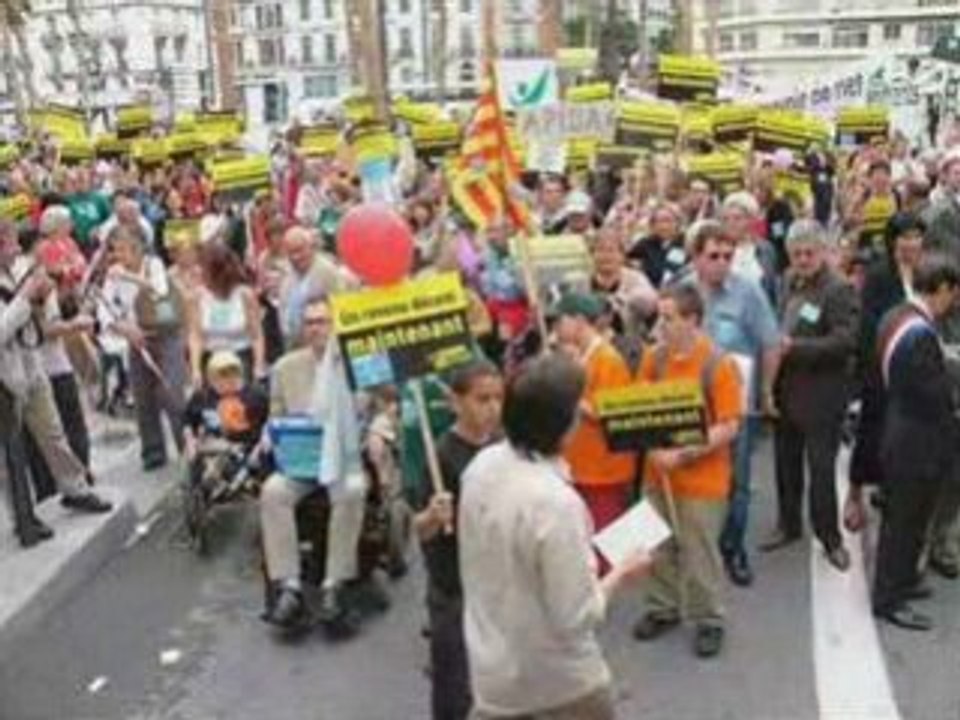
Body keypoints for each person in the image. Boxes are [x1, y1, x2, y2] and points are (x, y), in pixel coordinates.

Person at [459, 354, 650, 720]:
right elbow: (576, 616)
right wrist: (622, 572)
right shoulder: (555, 503)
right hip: (556, 684)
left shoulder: (481, 466)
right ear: (562, 427)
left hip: (491, 670)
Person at [631, 284, 742, 659]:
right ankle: (663, 607)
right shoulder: (653, 358)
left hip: (701, 480)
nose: (660, 325)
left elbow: (728, 426)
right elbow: (635, 411)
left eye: (668, 317)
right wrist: (653, 449)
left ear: (692, 320)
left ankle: (708, 618)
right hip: (657, 474)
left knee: (699, 551)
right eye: (659, 316)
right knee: (656, 544)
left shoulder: (718, 364)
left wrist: (682, 454)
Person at [260, 295, 368, 632]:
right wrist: (269, 434)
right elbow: (275, 415)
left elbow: (381, 408)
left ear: (335, 324)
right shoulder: (285, 368)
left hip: (344, 459)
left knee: (351, 490)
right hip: (303, 460)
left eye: (322, 321)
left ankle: (334, 585)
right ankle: (288, 587)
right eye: (309, 323)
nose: (315, 329)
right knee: (273, 491)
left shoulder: (357, 362)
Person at [0, 220, 112, 546]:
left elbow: (39, 320)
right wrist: (24, 299)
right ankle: (23, 517)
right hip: (5, 378)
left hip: (32, 366)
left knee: (53, 433)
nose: (17, 250)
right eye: (9, 244)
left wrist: (44, 298)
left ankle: (75, 489)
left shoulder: (18, 272)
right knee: (11, 456)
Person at [867, 255, 960, 631]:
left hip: (901, 429)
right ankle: (889, 597)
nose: (953, 302)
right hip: (916, 440)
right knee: (902, 523)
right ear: (939, 289)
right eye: (953, 294)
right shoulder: (919, 334)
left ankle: (904, 580)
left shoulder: (898, 316)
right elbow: (933, 394)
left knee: (913, 517)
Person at [409, 360, 504, 720]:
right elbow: (418, 528)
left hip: (498, 582)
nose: (493, 408)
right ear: (456, 402)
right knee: (454, 685)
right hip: (454, 588)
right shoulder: (442, 455)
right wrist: (433, 516)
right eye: (482, 399)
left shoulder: (502, 444)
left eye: (498, 398)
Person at [688, 220, 780, 587]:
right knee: (691, 473)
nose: (722, 263)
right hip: (689, 402)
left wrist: (767, 391)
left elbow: (771, 342)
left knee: (737, 479)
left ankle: (733, 547)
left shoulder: (748, 293)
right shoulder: (681, 292)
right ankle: (696, 547)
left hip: (735, 404)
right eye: (713, 256)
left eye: (728, 256)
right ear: (696, 258)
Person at [768, 220, 858, 572]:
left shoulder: (839, 289)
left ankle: (830, 538)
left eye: (809, 253)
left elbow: (845, 341)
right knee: (785, 465)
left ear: (822, 252)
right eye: (796, 253)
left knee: (821, 471)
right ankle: (788, 525)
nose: (803, 259)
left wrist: (795, 347)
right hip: (787, 391)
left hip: (822, 396)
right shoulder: (789, 281)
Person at [848, 213, 925, 504]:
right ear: (893, 241)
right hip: (885, 368)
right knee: (879, 430)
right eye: (905, 237)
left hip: (920, 367)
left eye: (916, 237)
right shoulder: (879, 277)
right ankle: (867, 487)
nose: (911, 243)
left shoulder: (928, 273)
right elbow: (870, 327)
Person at [98, 225, 188, 471]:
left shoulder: (154, 264)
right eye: (115, 250)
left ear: (136, 248)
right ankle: (153, 450)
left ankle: (185, 445)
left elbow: (158, 288)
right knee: (142, 395)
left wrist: (127, 276)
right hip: (135, 337)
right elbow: (104, 309)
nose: (118, 256)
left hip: (165, 334)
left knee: (171, 392)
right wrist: (123, 328)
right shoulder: (112, 275)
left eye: (122, 250)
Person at [554, 292, 637, 535]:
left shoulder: (608, 360)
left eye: (561, 320)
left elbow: (610, 414)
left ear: (579, 321)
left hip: (603, 471)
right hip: (581, 466)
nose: (556, 327)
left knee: (605, 539)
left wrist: (568, 393)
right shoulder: (581, 356)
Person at [188, 241, 266, 386]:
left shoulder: (245, 295)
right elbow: (195, 336)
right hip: (211, 357)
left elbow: (256, 335)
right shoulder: (197, 297)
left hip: (240, 355)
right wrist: (195, 369)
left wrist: (258, 365)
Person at [182, 350, 269, 459]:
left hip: (248, 448)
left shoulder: (256, 396)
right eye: (219, 380)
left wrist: (262, 442)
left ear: (239, 375)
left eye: (232, 379)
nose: (226, 384)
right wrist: (190, 441)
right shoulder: (202, 397)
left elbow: (269, 422)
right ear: (211, 380)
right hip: (214, 448)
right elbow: (188, 421)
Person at [277, 225, 344, 349]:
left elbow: (340, 310)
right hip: (293, 346)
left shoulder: (327, 272)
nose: (295, 257)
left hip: (321, 348)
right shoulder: (288, 274)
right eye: (291, 252)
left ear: (311, 247)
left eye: (299, 250)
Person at [627, 202, 688, 289]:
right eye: (660, 222)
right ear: (652, 226)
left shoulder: (685, 244)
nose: (664, 227)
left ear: (676, 224)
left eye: (668, 221)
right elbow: (627, 259)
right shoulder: (645, 244)